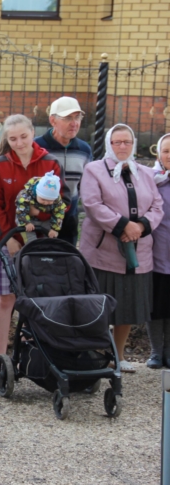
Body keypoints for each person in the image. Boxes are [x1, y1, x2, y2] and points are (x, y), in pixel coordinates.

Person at [79, 124, 164, 372]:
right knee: (100, 308)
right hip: (103, 252)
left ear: (133, 144)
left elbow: (157, 207)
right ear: (109, 144)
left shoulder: (146, 174)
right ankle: (96, 356)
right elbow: (93, 204)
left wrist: (141, 227)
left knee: (126, 307)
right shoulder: (94, 170)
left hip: (138, 252)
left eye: (127, 141)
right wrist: (123, 225)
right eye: (117, 142)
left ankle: (118, 355)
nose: (122, 146)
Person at [0, 114, 68, 363]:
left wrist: (38, 213)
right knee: (6, 298)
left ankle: (35, 352)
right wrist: (7, 238)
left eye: (23, 136)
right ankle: (1, 356)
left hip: (40, 241)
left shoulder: (50, 163)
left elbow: (59, 202)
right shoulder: (0, 165)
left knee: (37, 297)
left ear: (33, 133)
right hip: (7, 241)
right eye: (13, 139)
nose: (19, 142)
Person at [34, 97, 92, 245]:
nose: (74, 123)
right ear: (53, 121)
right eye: (68, 118)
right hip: (38, 220)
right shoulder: (36, 147)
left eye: (77, 117)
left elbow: (86, 187)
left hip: (69, 222)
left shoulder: (84, 150)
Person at [150, 133, 170, 369]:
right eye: (166, 151)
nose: (169, 156)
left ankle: (169, 351)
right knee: (156, 305)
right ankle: (156, 352)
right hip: (155, 253)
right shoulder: (151, 179)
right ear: (158, 154)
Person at [14, 171, 67, 241]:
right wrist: (26, 223)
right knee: (29, 234)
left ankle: (47, 247)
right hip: (27, 218)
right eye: (43, 199)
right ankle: (31, 246)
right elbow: (20, 210)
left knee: (51, 236)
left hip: (45, 219)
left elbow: (59, 213)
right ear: (37, 192)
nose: (46, 202)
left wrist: (55, 229)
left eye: (50, 201)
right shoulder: (25, 196)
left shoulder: (57, 200)